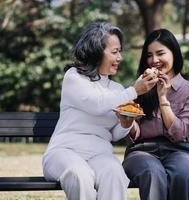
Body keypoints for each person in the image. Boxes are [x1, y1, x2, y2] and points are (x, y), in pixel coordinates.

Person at [42, 22, 157, 200]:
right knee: (79, 173)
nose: (119, 57)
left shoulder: (118, 89)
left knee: (115, 173)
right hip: (64, 152)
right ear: (96, 52)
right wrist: (134, 90)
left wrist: (125, 124)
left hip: (99, 154)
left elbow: (114, 134)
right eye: (114, 52)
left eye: (120, 51)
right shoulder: (74, 77)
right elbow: (96, 104)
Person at [122, 29, 189, 200]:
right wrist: (128, 122)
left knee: (185, 172)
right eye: (149, 55)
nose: (154, 61)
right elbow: (135, 133)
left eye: (160, 53)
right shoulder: (139, 86)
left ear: (174, 53)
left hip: (178, 151)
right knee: (153, 173)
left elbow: (179, 134)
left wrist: (162, 98)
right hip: (141, 152)